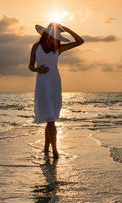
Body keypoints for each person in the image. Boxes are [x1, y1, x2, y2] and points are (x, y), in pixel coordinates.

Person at [29, 22, 84, 158]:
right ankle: (54, 150)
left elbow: (80, 41)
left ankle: (46, 148)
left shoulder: (58, 49)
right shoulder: (36, 47)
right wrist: (37, 69)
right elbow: (30, 65)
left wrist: (68, 29)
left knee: (51, 117)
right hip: (42, 82)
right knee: (50, 118)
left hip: (54, 82)